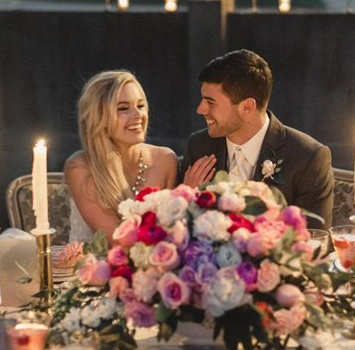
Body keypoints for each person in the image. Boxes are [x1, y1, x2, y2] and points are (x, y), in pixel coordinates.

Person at [181, 49, 334, 229]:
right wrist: (186, 196)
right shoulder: (199, 146)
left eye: (210, 102)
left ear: (247, 107)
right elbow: (181, 230)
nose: (201, 109)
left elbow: (315, 239)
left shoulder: (307, 157)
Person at [65, 70, 178, 242]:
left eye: (140, 106)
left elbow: (174, 233)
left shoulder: (165, 160)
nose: (138, 115)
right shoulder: (80, 167)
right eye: (123, 108)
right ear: (99, 116)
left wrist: (187, 201)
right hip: (94, 267)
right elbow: (119, 240)